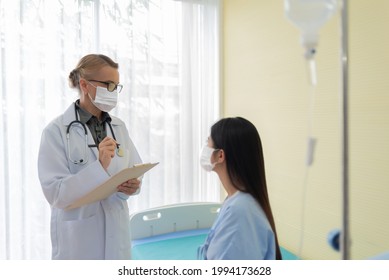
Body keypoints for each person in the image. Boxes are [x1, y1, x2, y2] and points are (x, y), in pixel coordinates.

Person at [38, 54, 142, 260]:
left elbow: (134, 168)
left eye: (117, 86)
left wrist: (132, 187)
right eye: (109, 85)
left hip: (116, 234)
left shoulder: (118, 127)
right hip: (79, 241)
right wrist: (99, 166)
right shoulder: (56, 131)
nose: (114, 92)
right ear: (84, 85)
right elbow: (56, 193)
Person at [198, 117, 282, 260]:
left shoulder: (239, 210)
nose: (204, 147)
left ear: (220, 155)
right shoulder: (237, 200)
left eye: (208, 142)